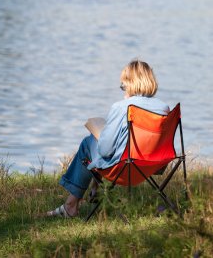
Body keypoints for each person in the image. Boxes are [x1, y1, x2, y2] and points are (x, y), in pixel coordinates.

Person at [47, 59, 170, 218]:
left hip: (124, 168)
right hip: (151, 166)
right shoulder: (163, 108)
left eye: (123, 86)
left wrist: (101, 135)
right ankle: (93, 191)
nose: (123, 90)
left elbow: (105, 150)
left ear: (131, 84)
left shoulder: (121, 107)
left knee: (89, 143)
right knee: (97, 143)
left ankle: (71, 205)